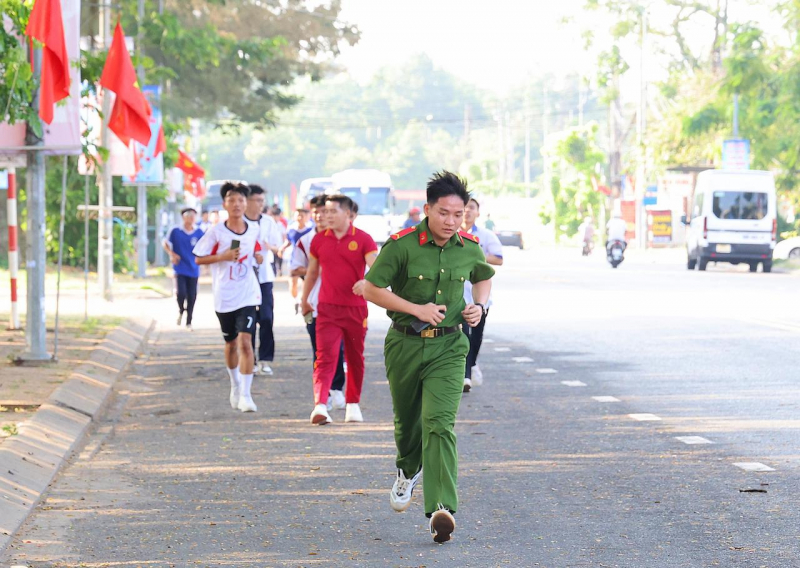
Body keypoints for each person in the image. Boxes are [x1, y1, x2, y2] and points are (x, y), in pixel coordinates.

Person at [363, 171, 494, 544]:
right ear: (427, 210)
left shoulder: (469, 246)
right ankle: (408, 469)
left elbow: (483, 276)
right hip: (404, 344)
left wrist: (479, 306)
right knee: (408, 424)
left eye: (459, 215)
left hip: (449, 347)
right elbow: (371, 288)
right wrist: (415, 309)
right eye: (444, 213)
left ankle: (442, 509)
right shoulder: (401, 245)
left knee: (439, 424)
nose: (452, 222)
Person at [300, 194, 378, 425]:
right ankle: (320, 405)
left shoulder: (363, 239)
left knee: (354, 357)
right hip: (327, 309)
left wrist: (367, 282)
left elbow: (378, 268)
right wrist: (305, 299)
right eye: (326, 211)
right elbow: (312, 272)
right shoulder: (319, 240)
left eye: (333, 211)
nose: (328, 216)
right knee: (325, 357)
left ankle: (353, 404)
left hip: (355, 309)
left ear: (348, 214)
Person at [193, 182, 263, 413]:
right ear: (224, 204)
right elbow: (199, 258)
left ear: (246, 203)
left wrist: (259, 256)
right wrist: (222, 256)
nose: (237, 204)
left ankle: (246, 395)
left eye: (241, 200)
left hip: (248, 294)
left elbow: (257, 249)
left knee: (246, 342)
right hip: (224, 295)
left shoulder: (254, 228)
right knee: (231, 344)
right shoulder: (216, 232)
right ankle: (235, 384)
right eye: (232, 200)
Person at [291, 195, 346, 411]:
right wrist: (315, 270)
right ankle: (323, 394)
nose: (321, 216)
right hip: (313, 303)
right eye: (317, 212)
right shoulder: (305, 241)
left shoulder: (343, 238)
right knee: (319, 350)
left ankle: (336, 388)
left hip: (340, 303)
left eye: (326, 211)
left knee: (338, 348)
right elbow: (295, 268)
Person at [461, 198, 503, 392]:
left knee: (476, 337)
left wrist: (475, 255)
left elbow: (499, 258)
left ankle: (471, 365)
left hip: (480, 297)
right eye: (464, 207)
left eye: (472, 208)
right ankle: (465, 375)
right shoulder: (449, 235)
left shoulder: (485, 236)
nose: (467, 211)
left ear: (478, 213)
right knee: (463, 335)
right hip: (458, 297)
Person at [245, 184, 284, 376]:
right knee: (248, 320)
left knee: (267, 317)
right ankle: (249, 359)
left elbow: (278, 247)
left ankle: (265, 359)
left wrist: (270, 247)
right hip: (244, 278)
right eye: (257, 200)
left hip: (265, 277)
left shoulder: (268, 222)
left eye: (262, 200)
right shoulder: (238, 221)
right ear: (247, 201)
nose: (261, 204)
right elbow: (233, 248)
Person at [163, 208, 204, 331]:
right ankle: (181, 310)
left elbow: (205, 246)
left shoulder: (199, 232)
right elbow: (165, 242)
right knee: (180, 293)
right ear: (183, 217)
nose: (191, 217)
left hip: (194, 268)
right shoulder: (176, 231)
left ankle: (189, 321)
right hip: (180, 267)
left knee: (192, 295)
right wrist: (172, 254)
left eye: (193, 215)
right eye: (188, 215)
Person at [281, 209, 314, 314]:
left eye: (302, 215)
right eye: (298, 215)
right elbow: (288, 241)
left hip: (306, 261)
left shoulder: (310, 231)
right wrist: (282, 248)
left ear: (307, 217)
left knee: (305, 282)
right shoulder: (291, 229)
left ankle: (303, 300)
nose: (300, 218)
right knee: (293, 283)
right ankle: (295, 300)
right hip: (293, 260)